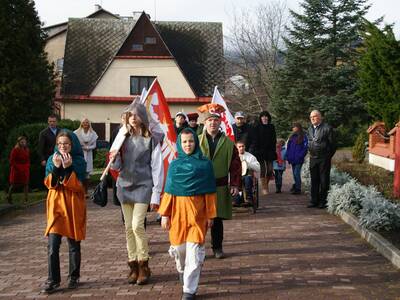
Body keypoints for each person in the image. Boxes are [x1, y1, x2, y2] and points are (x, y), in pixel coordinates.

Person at [109, 100, 163, 285]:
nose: (133, 118)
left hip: (143, 185)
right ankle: (132, 266)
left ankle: (144, 265)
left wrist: (156, 193)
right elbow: (115, 166)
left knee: (137, 225)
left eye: (136, 115)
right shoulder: (121, 137)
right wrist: (114, 159)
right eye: (130, 115)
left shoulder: (151, 139)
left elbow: (157, 168)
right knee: (128, 228)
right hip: (124, 185)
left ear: (142, 118)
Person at [159, 128, 217, 300]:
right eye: (184, 142)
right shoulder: (175, 166)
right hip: (178, 215)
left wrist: (210, 215)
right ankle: (181, 269)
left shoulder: (205, 165)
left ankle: (189, 290)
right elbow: (169, 191)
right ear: (179, 143)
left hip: (197, 216)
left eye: (190, 141)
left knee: (193, 253)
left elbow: (210, 192)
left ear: (196, 142)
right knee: (179, 249)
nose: (187, 144)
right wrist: (164, 214)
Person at [42, 130, 87, 293]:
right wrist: (56, 167)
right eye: (60, 144)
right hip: (56, 206)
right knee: (53, 245)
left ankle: (73, 277)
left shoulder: (79, 161)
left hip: (73, 205)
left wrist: (68, 169)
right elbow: (50, 184)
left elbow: (78, 186)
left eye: (66, 144)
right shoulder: (51, 159)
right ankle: (52, 279)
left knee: (74, 244)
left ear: (72, 145)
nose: (63, 147)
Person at [198, 103, 241, 259]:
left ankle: (217, 247)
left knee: (216, 219)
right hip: (200, 187)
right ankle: (199, 248)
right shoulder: (196, 141)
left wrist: (235, 184)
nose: (212, 123)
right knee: (201, 218)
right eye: (209, 120)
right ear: (205, 122)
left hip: (220, 186)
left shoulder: (229, 143)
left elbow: (235, 165)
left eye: (215, 120)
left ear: (220, 122)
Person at [306, 110, 336, 208]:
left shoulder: (327, 128)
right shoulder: (310, 129)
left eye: (314, 116)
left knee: (324, 180)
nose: (312, 119)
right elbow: (309, 142)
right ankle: (314, 200)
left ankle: (323, 201)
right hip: (313, 158)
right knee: (314, 180)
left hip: (324, 158)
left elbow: (333, 145)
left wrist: (327, 157)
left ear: (320, 117)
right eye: (311, 117)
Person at [249, 111, 277, 195]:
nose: (264, 118)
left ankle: (266, 185)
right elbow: (255, 139)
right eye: (263, 116)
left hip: (270, 151)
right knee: (263, 170)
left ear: (268, 118)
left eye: (266, 116)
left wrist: (273, 149)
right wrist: (256, 150)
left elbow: (274, 139)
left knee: (270, 170)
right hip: (260, 151)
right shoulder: (257, 127)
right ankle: (264, 188)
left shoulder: (271, 127)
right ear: (260, 118)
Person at [74, 118, 98, 196]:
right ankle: (79, 191)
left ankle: (86, 191)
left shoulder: (93, 133)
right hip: (80, 154)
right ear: (81, 123)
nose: (85, 124)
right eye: (84, 122)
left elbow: (94, 145)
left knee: (87, 174)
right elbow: (75, 144)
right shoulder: (76, 133)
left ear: (89, 124)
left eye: (87, 122)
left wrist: (87, 148)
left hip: (89, 154)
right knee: (79, 172)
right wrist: (82, 147)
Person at [233, 140, 260, 207]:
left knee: (247, 178)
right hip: (236, 176)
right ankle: (237, 199)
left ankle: (248, 199)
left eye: (243, 146)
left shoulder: (250, 156)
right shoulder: (232, 156)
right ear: (236, 148)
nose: (241, 148)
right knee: (234, 180)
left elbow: (258, 168)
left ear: (245, 147)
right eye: (239, 147)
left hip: (247, 175)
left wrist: (248, 164)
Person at [286, 123, 308, 195]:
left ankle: (298, 188)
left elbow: (305, 148)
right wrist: (288, 156)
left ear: (298, 128)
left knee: (296, 173)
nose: (293, 129)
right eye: (292, 127)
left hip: (298, 159)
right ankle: (295, 186)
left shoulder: (303, 137)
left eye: (294, 127)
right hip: (292, 159)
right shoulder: (291, 137)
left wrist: (300, 155)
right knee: (294, 174)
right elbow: (288, 148)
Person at [7, 136, 30, 204]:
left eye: (24, 142)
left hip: (25, 169)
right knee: (14, 184)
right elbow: (12, 161)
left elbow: (28, 159)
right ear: (19, 142)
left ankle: (26, 199)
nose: (23, 143)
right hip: (16, 170)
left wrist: (27, 166)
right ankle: (9, 197)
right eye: (21, 142)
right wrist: (18, 168)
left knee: (25, 184)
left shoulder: (27, 150)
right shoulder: (15, 150)